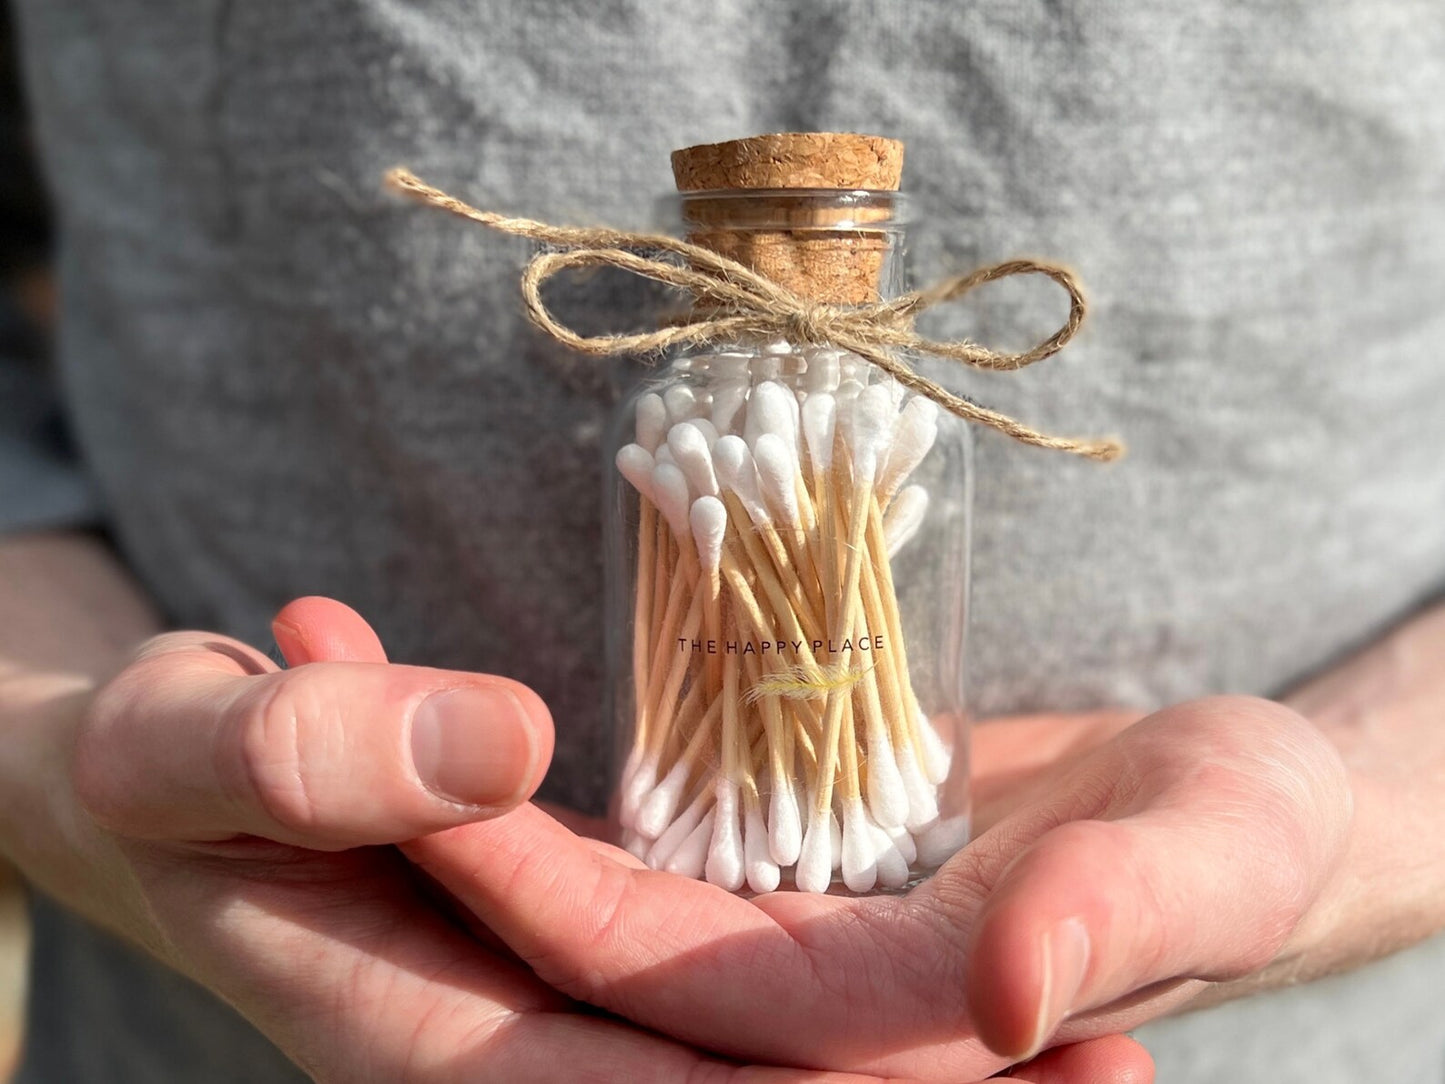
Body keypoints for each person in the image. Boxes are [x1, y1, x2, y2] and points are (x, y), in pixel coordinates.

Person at [2, 1, 1444, 1081]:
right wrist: (47, 742)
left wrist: (1374, 809)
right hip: (209, 1022)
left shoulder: (880, 430)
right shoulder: (729, 420)